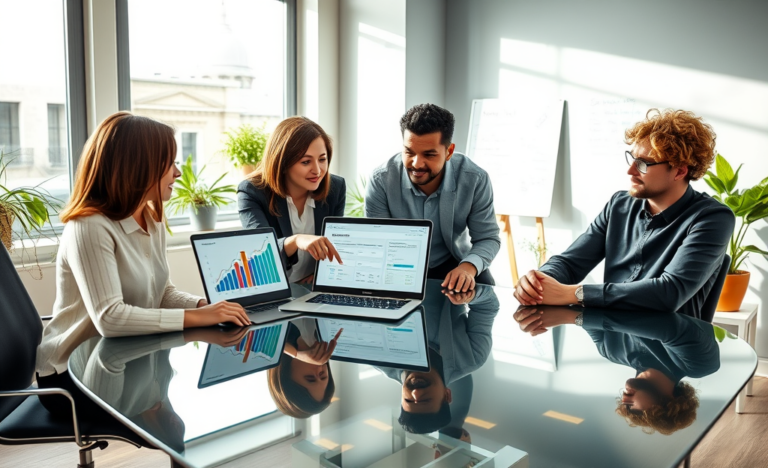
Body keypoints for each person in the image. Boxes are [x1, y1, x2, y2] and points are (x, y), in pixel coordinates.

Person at [35, 111, 249, 419]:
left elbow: (162, 292)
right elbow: (110, 319)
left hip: (121, 355)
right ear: (139, 166)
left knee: (192, 409)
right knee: (178, 423)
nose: (178, 172)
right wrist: (198, 316)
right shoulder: (90, 226)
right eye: (171, 163)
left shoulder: (150, 217)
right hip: (69, 377)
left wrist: (206, 304)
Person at [513, 109, 735, 318]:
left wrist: (574, 293)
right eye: (632, 159)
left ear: (679, 170)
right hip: (614, 340)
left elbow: (670, 292)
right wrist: (539, 282)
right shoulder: (619, 205)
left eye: (643, 164)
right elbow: (571, 263)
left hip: (668, 348)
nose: (630, 171)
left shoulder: (712, 218)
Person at [514, 306, 717, 434]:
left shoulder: (610, 351)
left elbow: (584, 308)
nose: (625, 401)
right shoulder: (698, 364)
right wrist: (571, 317)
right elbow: (669, 325)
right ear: (670, 403)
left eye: (625, 407)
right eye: (635, 409)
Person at [365, 103, 500, 292]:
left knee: (484, 288)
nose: (416, 163)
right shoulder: (381, 180)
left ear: (449, 152)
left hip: (455, 261)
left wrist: (467, 268)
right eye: (409, 152)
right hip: (399, 266)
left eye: (429, 154)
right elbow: (378, 240)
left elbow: (488, 238)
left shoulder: (475, 179)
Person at [238, 117, 346, 283]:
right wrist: (296, 240)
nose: (317, 170)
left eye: (322, 159)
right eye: (306, 162)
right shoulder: (252, 191)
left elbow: (337, 244)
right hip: (273, 289)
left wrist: (320, 275)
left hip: (311, 290)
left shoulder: (335, 188)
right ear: (282, 162)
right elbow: (259, 255)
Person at [267, 318, 342, 418]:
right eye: (323, 375)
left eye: (310, 378)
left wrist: (295, 354)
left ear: (285, 375)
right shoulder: (326, 334)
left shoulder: (268, 339)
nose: (319, 369)